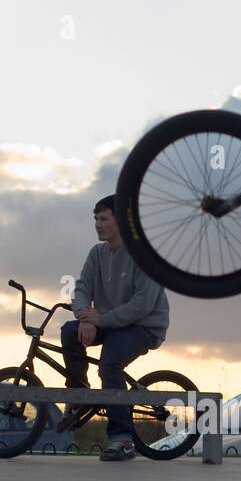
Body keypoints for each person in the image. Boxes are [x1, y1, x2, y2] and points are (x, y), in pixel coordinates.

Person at [59, 195, 169, 461]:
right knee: (68, 331)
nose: (97, 224)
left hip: (144, 326)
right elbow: (82, 288)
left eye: (104, 219)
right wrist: (85, 318)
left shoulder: (145, 256)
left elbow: (142, 305)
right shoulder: (97, 254)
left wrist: (100, 320)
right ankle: (79, 394)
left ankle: (122, 440)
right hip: (108, 322)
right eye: (95, 219)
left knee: (109, 363)